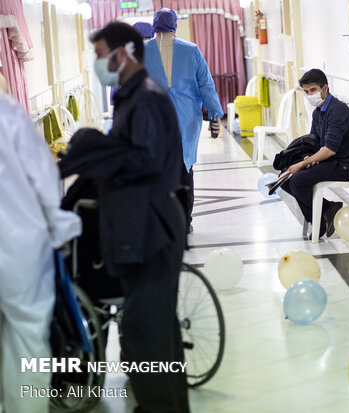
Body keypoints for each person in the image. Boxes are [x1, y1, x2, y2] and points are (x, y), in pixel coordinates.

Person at [57, 22, 189, 413]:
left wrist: (97, 153)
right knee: (156, 335)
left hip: (153, 228)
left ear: (124, 53)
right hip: (143, 226)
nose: (98, 63)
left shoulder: (145, 98)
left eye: (100, 55)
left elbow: (143, 160)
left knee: (145, 335)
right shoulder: (131, 96)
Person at [0, 75, 81, 413]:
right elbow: (44, 180)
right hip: (19, 250)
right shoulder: (9, 114)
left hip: (18, 246)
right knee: (26, 343)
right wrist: (62, 232)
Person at [144, 7, 224, 233]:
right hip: (186, 118)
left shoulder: (142, 51)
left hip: (154, 119)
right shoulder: (191, 51)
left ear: (153, 25)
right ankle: (184, 221)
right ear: (175, 25)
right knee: (183, 168)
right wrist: (215, 115)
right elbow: (206, 85)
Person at [281, 69, 349, 238]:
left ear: (325, 88)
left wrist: (301, 165)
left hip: (343, 165)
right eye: (306, 92)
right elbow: (314, 142)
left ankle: (317, 224)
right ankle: (327, 210)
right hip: (330, 161)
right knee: (285, 178)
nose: (310, 95)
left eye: (313, 90)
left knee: (297, 180)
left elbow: (330, 149)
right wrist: (306, 157)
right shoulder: (318, 112)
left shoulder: (337, 111)